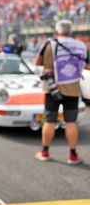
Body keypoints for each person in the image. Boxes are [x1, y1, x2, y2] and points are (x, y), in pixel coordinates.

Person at [34, 19, 90, 164]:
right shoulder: (81, 46)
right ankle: (73, 155)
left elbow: (37, 63)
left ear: (57, 32)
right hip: (72, 89)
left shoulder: (48, 44)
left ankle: (44, 152)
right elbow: (87, 64)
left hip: (52, 89)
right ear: (71, 32)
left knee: (49, 121)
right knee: (71, 122)